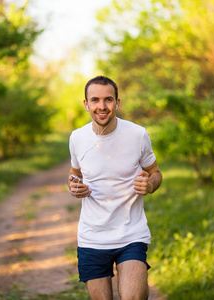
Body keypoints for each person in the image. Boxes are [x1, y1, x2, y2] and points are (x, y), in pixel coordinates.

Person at [67, 76, 162, 300]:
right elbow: (74, 175)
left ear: (117, 103)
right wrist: (74, 187)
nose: (102, 106)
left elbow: (156, 172)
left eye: (108, 99)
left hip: (131, 234)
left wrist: (149, 184)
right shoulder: (77, 138)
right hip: (92, 237)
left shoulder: (138, 134)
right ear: (86, 104)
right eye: (95, 100)